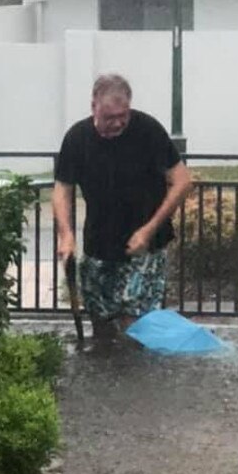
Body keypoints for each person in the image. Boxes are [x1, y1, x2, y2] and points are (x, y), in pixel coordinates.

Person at [52, 73, 192, 339]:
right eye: (109, 117)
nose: (117, 123)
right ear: (94, 106)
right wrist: (66, 235)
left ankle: (137, 378)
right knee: (100, 320)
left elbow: (183, 182)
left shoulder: (148, 130)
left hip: (145, 247)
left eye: (123, 115)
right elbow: (62, 189)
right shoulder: (77, 138)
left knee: (134, 324)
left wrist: (149, 230)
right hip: (98, 245)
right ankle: (104, 376)